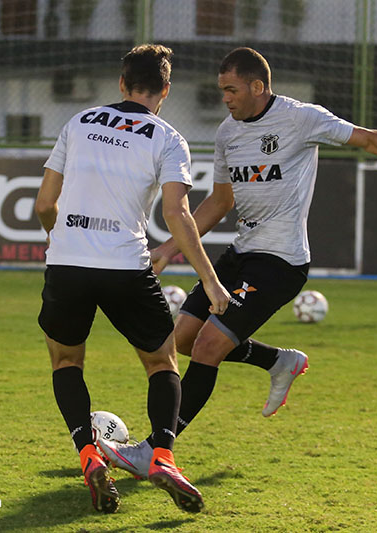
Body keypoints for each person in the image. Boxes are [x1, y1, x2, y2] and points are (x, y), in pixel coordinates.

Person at [99, 47, 377, 478]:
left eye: (231, 89)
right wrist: (168, 249)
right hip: (242, 253)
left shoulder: (300, 118)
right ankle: (278, 362)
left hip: (281, 261)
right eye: (221, 90)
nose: (225, 98)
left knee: (209, 348)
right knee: (183, 341)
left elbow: (369, 137)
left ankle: (155, 450)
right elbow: (220, 201)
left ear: (257, 86)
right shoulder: (229, 132)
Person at [34, 44, 230, 514]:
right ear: (165, 90)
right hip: (125, 266)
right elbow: (177, 213)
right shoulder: (167, 138)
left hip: (67, 263)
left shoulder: (78, 123)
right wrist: (209, 280)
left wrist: (61, 242)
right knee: (162, 364)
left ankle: (88, 454)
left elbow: (44, 205)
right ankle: (162, 455)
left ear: (121, 83)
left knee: (65, 362)